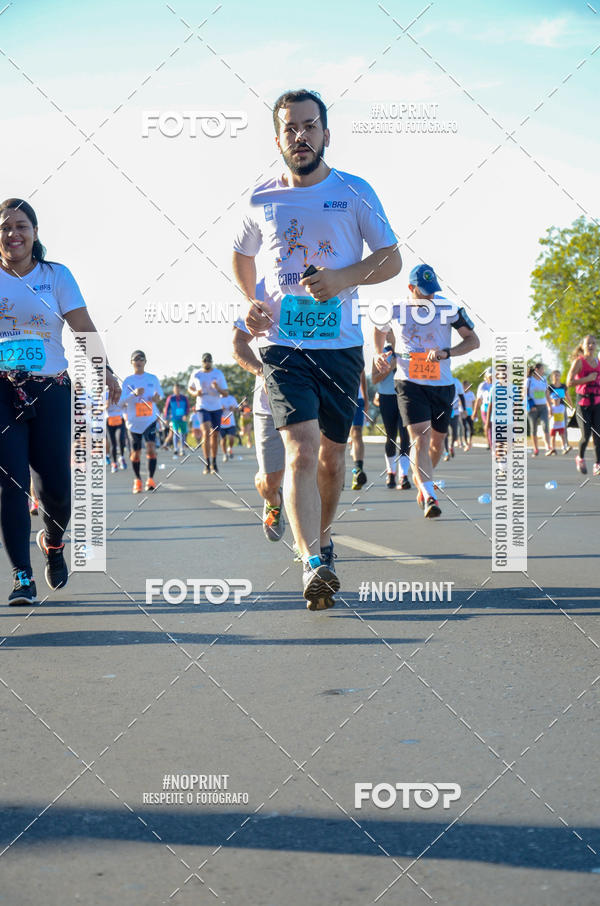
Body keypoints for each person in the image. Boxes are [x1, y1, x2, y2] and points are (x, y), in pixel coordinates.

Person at [232, 88, 401, 608]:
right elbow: (242, 255)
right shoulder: (261, 198)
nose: (299, 136)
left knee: (331, 459)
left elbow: (391, 259)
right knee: (300, 451)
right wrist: (249, 301)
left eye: (309, 126)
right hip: (284, 347)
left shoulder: (354, 191)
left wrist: (342, 277)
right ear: (277, 137)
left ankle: (322, 540)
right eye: (290, 128)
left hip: (342, 345)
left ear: (327, 133)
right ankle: (310, 563)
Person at [0, 198, 120, 604]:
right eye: (5, 227)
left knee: (57, 487)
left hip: (50, 388)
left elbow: (83, 326)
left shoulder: (56, 276)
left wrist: (106, 370)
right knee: (10, 484)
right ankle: (22, 576)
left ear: (34, 233)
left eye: (21, 226)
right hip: (1, 390)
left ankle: (53, 542)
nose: (12, 234)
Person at [374, 264, 480, 518]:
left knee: (437, 443)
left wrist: (448, 352)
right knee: (419, 437)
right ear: (411, 288)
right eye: (425, 292)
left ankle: (422, 480)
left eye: (433, 292)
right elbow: (379, 329)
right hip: (409, 382)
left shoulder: (448, 308)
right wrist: (379, 353)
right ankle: (430, 494)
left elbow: (473, 341)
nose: (430, 297)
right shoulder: (395, 308)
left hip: (441, 384)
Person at [232, 315, 286, 542]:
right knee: (270, 480)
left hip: (312, 400)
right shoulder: (261, 293)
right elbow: (238, 344)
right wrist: (261, 371)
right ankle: (273, 500)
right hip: (269, 404)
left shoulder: (324, 288)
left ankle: (311, 547)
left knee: (309, 471)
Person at [120, 351, 163, 493]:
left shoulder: (152, 378)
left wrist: (157, 398)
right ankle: (137, 479)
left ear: (145, 362)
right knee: (135, 453)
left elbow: (160, 395)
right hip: (133, 423)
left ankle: (150, 479)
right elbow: (120, 402)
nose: (138, 362)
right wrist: (133, 394)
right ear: (131, 362)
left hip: (149, 420)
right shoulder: (128, 381)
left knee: (151, 448)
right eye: (135, 359)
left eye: (141, 359)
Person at [371, 342, 411, 489]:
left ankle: (404, 475)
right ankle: (391, 473)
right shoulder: (381, 353)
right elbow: (374, 379)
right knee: (391, 436)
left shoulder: (407, 349)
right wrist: (390, 367)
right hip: (386, 397)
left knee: (405, 435)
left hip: (405, 396)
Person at [188, 353, 228, 475]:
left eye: (209, 361)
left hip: (216, 407)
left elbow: (226, 393)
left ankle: (214, 462)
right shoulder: (196, 374)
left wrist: (217, 388)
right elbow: (190, 388)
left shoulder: (218, 374)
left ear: (212, 362)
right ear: (202, 362)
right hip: (202, 406)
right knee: (206, 432)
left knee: (215, 435)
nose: (207, 363)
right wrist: (195, 393)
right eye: (205, 361)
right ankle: (206, 462)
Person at [566, 335, 600, 475]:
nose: (591, 346)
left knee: (598, 435)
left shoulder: (598, 362)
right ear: (583, 346)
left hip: (597, 403)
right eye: (588, 344)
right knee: (586, 435)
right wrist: (587, 379)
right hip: (583, 403)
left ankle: (597, 464)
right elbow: (569, 382)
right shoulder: (579, 362)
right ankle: (580, 457)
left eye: (593, 343)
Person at [526, 363, 552, 456]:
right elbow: (524, 394)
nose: (543, 371)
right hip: (533, 407)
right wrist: (530, 405)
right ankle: (535, 448)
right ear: (536, 370)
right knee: (534, 429)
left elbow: (547, 393)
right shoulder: (529, 380)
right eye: (542, 369)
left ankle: (548, 447)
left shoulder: (544, 379)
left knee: (545, 426)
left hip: (543, 406)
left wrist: (550, 406)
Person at [350, 370, 369, 490]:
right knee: (333, 438)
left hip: (356, 398)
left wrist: (366, 397)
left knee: (356, 432)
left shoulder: (358, 350)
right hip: (335, 396)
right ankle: (335, 473)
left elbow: (361, 371)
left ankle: (358, 469)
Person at [547, 370, 571, 455]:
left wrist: (571, 405)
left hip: (562, 409)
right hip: (553, 409)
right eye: (555, 375)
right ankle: (553, 448)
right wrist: (549, 408)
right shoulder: (550, 387)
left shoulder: (563, 386)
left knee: (563, 427)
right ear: (552, 377)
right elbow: (547, 398)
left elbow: (568, 396)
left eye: (558, 375)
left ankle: (565, 446)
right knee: (553, 429)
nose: (557, 377)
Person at [443, 373, 466, 460]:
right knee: (444, 433)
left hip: (455, 411)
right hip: (444, 411)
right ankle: (446, 452)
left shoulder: (456, 381)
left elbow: (461, 396)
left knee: (455, 434)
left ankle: (451, 446)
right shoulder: (441, 380)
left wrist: (464, 409)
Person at [163, 382, 189, 458]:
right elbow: (167, 408)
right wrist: (166, 418)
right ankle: (175, 449)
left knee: (183, 434)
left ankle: (182, 449)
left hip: (183, 418)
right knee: (175, 433)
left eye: (178, 388)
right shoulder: (171, 398)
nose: (177, 390)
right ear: (173, 390)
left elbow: (187, 407)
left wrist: (185, 414)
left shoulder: (184, 398)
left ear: (179, 389)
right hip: (174, 419)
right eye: (175, 389)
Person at [106, 388, 127, 473]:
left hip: (120, 419)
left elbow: (126, 405)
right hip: (109, 421)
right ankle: (114, 463)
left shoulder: (121, 394)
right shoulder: (105, 394)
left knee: (121, 439)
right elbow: (99, 407)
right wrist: (106, 405)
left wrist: (125, 405)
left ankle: (121, 457)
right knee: (112, 443)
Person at [473, 368, 493, 448]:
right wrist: (475, 412)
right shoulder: (483, 385)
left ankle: (492, 442)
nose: (491, 378)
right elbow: (478, 399)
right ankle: (490, 443)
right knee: (489, 426)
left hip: (495, 408)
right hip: (485, 408)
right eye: (490, 376)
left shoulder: (496, 384)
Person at [219, 392, 239, 462]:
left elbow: (237, 409)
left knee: (231, 438)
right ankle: (225, 454)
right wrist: (220, 409)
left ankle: (230, 448)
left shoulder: (231, 398)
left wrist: (233, 408)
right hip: (221, 423)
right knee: (223, 440)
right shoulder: (217, 399)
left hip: (231, 422)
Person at [462, 380, 475, 451]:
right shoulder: (461, 394)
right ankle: (466, 443)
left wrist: (474, 412)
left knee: (471, 428)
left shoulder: (471, 394)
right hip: (463, 412)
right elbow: (459, 402)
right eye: (466, 385)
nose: (468, 387)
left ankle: (470, 441)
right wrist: (464, 410)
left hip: (470, 412)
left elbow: (474, 403)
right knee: (465, 428)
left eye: (468, 385)